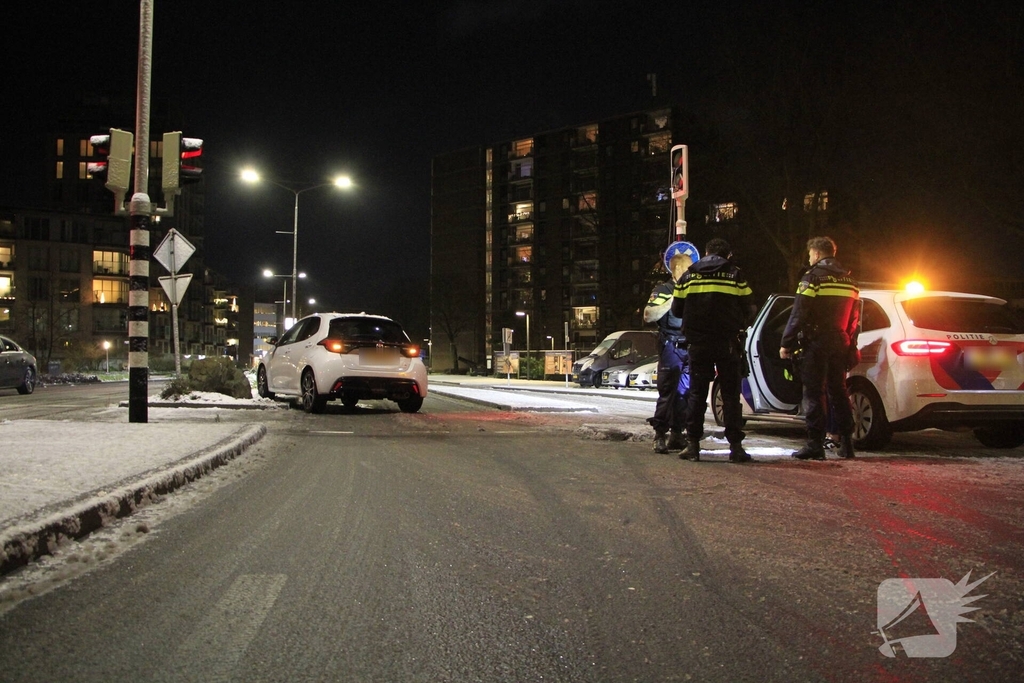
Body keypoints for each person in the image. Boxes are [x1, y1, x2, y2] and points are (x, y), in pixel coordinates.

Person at [670, 238, 757, 462]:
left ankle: (693, 445)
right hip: (727, 343)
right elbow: (750, 308)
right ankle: (735, 448)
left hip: (698, 343)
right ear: (727, 255)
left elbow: (677, 310)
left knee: (697, 394)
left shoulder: (689, 275)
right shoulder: (735, 274)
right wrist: (736, 324)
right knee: (730, 395)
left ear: (706, 253)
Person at [780, 236, 861, 460]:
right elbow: (854, 319)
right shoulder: (851, 281)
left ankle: (815, 445)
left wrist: (786, 342)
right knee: (839, 391)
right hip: (840, 341)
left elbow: (799, 313)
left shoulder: (813, 278)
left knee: (814, 393)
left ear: (816, 253)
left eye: (809, 255)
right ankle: (847, 444)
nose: (809, 258)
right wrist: (850, 344)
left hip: (816, 342)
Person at [644, 245, 696, 453]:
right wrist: (673, 301)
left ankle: (677, 434)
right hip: (671, 347)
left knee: (684, 394)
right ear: (677, 270)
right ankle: (659, 435)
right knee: (667, 393)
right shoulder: (663, 290)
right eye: (687, 269)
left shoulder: (693, 290)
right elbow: (649, 315)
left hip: (689, 347)